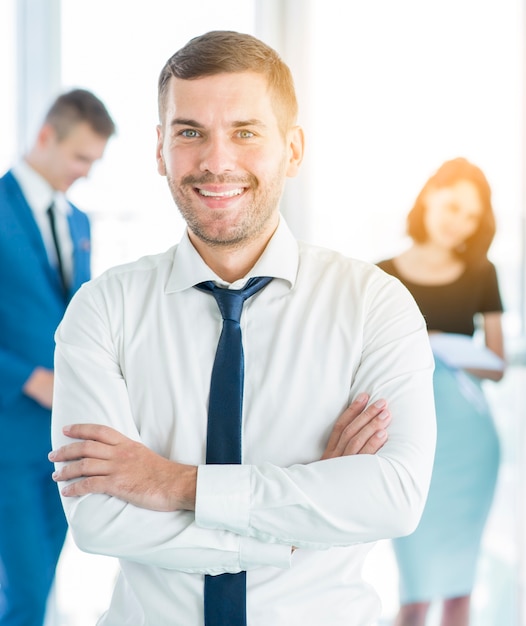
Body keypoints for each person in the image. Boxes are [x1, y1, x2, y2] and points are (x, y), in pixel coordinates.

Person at [47, 30, 437, 626]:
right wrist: (296, 526)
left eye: (246, 133)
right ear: (160, 150)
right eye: (190, 132)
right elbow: (101, 518)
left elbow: (393, 499)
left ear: (294, 149)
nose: (216, 160)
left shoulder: (373, 305)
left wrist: (171, 483)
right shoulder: (103, 309)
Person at [0, 88, 115, 626]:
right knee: (23, 591)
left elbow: (79, 321)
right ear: (46, 137)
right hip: (9, 431)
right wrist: (28, 377)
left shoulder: (79, 223)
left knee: (43, 581)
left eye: (94, 162)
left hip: (66, 440)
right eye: (79, 158)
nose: (85, 173)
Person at [378, 157, 505, 626]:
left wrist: (440, 345)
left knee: (458, 594)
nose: (460, 224)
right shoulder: (381, 274)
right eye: (454, 207)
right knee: (415, 596)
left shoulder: (481, 272)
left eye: (472, 217)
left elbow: (497, 364)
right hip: (406, 444)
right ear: (429, 196)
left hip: (469, 443)